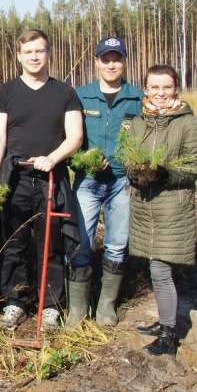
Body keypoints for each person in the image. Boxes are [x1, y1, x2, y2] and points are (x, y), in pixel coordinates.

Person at [0, 29, 83, 331]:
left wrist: (52, 158)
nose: (33, 57)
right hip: (15, 178)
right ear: (19, 56)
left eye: (39, 51)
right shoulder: (5, 92)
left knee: (50, 244)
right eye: (28, 52)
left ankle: (50, 306)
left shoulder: (64, 92)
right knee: (13, 243)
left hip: (52, 179)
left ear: (48, 53)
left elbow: (76, 137)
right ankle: (14, 303)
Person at [127, 64, 197, 356]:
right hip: (145, 206)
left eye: (167, 87)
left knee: (160, 269)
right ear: (145, 89)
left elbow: (196, 165)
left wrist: (165, 174)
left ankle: (169, 335)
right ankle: (164, 321)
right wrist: (134, 173)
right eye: (155, 87)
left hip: (172, 207)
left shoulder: (187, 123)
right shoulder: (140, 121)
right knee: (154, 265)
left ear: (176, 89)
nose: (161, 93)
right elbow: (129, 156)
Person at [68, 37, 145, 327]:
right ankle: (77, 310)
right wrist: (84, 159)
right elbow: (69, 139)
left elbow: (146, 141)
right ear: (97, 62)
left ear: (124, 61)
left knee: (116, 244)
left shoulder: (138, 98)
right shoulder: (81, 96)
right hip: (87, 180)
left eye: (117, 58)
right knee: (81, 243)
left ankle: (106, 307)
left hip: (121, 182)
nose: (111, 64)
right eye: (105, 59)